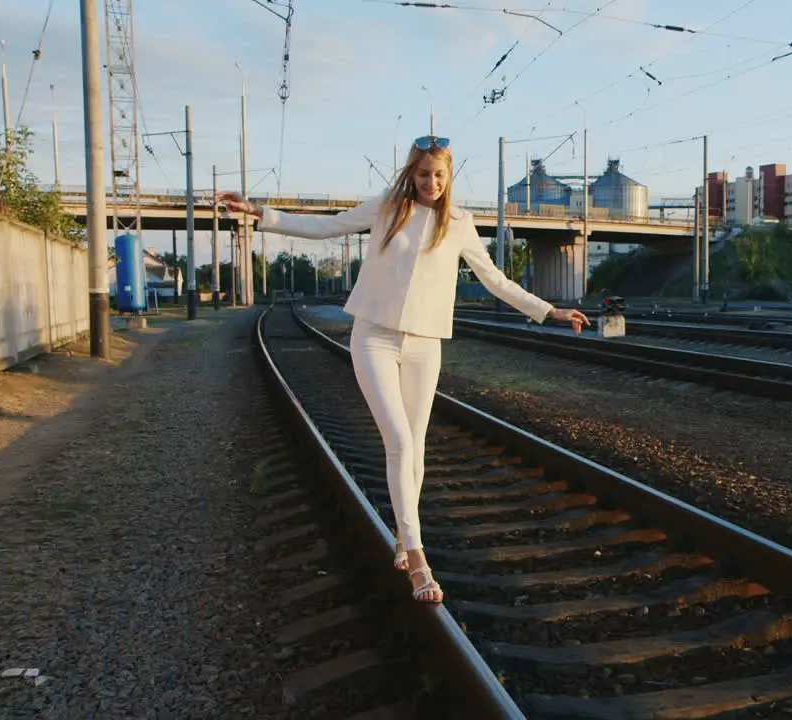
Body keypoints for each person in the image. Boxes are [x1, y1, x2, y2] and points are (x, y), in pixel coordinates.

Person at [219, 135, 590, 603]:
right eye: (422, 173)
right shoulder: (387, 208)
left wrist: (548, 311)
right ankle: (416, 556)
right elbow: (324, 227)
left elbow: (495, 280)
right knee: (397, 440)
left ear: (448, 176)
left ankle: (402, 535)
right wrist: (260, 213)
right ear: (410, 174)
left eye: (439, 174)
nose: (430, 182)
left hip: (424, 344)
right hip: (373, 335)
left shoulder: (458, 223)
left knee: (415, 448)